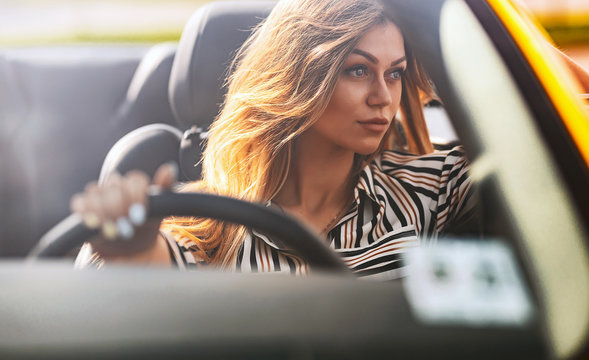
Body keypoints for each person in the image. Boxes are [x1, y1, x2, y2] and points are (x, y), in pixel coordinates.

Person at [71, 0, 477, 279]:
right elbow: (113, 286)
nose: (383, 97)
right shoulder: (208, 229)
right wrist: (129, 253)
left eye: (395, 73)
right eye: (358, 70)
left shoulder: (432, 186)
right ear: (299, 77)